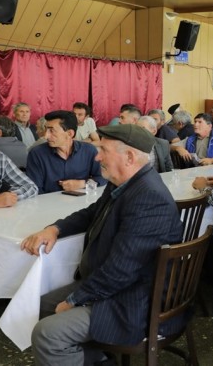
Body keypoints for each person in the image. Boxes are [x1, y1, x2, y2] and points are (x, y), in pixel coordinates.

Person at [21, 124, 184, 365]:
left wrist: (75, 300)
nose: (97, 157)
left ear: (129, 157)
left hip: (134, 301)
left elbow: (121, 270)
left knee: (47, 334)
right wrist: (55, 228)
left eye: (103, 151)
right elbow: (92, 212)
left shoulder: (148, 198)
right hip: (120, 287)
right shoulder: (126, 182)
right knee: (41, 304)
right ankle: (100, 358)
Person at [25, 110, 106, 194]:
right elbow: (35, 189)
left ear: (70, 133)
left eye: (52, 131)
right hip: (49, 201)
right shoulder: (37, 154)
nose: (46, 136)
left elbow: (103, 177)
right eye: (46, 129)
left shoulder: (88, 151)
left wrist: (82, 183)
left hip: (82, 200)